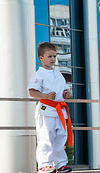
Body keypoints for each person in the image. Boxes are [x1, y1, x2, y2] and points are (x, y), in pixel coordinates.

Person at [28, 42, 73, 173]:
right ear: (41, 58)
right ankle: (44, 165)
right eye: (49, 56)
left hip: (60, 111)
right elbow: (32, 92)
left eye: (54, 56)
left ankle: (60, 163)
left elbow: (65, 91)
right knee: (46, 138)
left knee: (61, 137)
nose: (53, 59)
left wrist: (66, 94)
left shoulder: (58, 75)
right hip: (46, 109)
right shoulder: (39, 74)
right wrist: (46, 95)